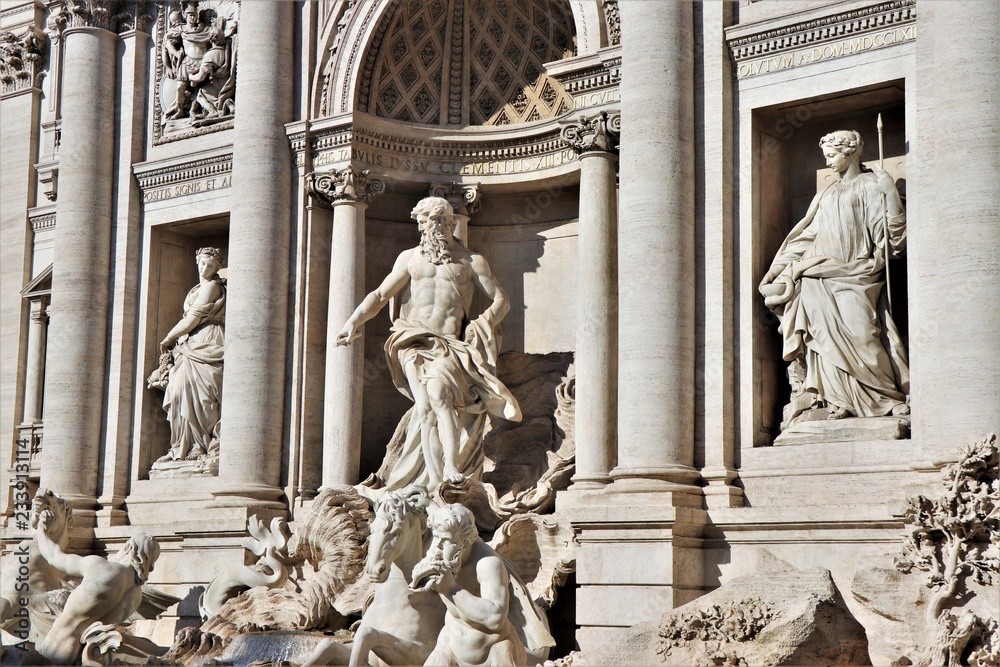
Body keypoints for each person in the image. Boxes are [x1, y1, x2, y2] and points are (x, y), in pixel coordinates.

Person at [336, 196, 521, 491]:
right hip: (413, 339)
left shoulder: (472, 261)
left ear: (449, 223)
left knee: (438, 397)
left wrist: (483, 322)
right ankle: (435, 475)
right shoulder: (409, 258)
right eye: (423, 223)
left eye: (434, 222)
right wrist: (353, 322)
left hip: (450, 344)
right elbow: (381, 295)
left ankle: (448, 466)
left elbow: (502, 300)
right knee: (425, 405)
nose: (427, 229)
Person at [759, 130, 909, 425]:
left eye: (832, 155)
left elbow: (893, 239)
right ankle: (834, 400)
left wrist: (890, 192)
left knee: (863, 334)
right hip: (816, 275)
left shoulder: (870, 186)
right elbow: (805, 237)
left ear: (851, 152)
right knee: (820, 338)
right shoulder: (826, 193)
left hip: (857, 272)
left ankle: (886, 397)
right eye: (825, 156)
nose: (828, 162)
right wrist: (774, 272)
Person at [34, 511, 160, 665]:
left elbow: (53, 557)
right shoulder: (136, 595)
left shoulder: (102, 568)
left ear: (129, 548)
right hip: (88, 654)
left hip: (60, 645)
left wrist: (42, 529)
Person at [410, 504, 529, 666]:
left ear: (466, 542)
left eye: (446, 541)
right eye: (436, 537)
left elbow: (495, 618)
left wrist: (451, 589)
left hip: (492, 651)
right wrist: (419, 581)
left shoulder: (487, 563)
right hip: (449, 643)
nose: (437, 546)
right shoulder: (443, 556)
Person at [155, 247, 226, 462]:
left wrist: (169, 337)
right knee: (178, 392)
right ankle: (180, 446)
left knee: (204, 395)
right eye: (202, 264)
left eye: (210, 265)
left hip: (207, 339)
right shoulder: (195, 288)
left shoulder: (213, 286)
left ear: (217, 268)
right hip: (189, 343)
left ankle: (200, 444)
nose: (205, 268)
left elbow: (193, 318)